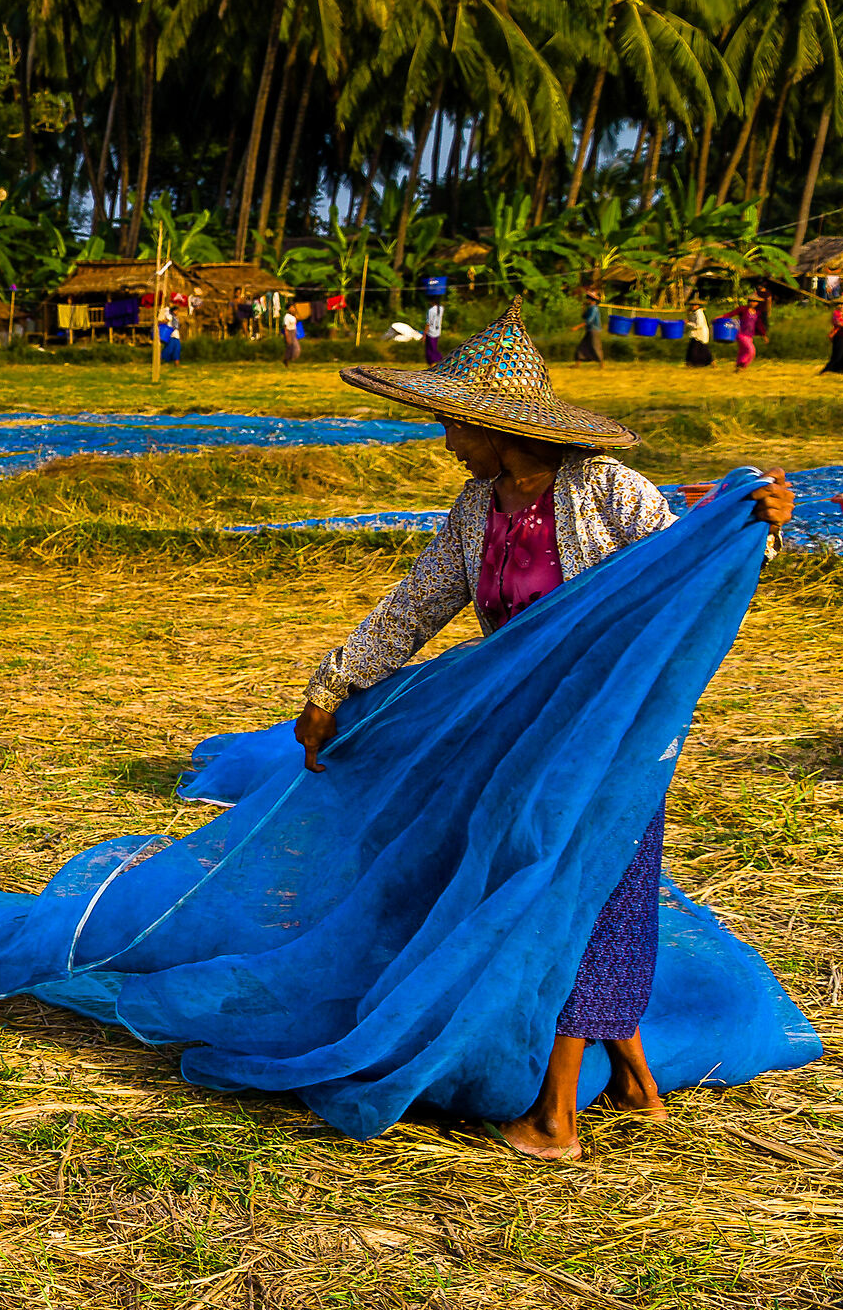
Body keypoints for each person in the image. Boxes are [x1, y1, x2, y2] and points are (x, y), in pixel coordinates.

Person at [297, 303, 794, 1159]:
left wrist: (759, 527)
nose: (446, 439)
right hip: (528, 725)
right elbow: (418, 604)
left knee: (584, 876)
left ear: (497, 426)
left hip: (615, 724)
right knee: (570, 874)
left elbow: (688, 566)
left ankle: (557, 1116)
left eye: (455, 423)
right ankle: (634, 1080)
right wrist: (336, 683)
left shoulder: (605, 488)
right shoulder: (477, 503)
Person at [575, 290, 606, 365]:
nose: (587, 300)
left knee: (595, 346)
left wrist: (578, 327)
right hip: (590, 330)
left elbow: (589, 320)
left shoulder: (594, 308)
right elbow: (584, 316)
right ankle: (577, 364)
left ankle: (602, 364)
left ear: (592, 300)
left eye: (588, 298)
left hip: (594, 329)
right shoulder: (590, 308)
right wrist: (583, 308)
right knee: (583, 346)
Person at [824, 298, 843, 375]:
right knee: (838, 355)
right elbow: (840, 323)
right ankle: (829, 370)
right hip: (840, 337)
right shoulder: (836, 314)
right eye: (840, 304)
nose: (841, 306)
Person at [686, 301, 714, 368]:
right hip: (696, 334)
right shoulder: (693, 313)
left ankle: (692, 363)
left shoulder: (699, 313)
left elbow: (699, 325)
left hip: (700, 334)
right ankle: (690, 363)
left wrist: (688, 323)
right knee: (696, 348)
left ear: (698, 306)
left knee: (697, 349)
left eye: (694, 305)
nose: (692, 306)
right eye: (691, 305)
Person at [423, 298, 444, 367]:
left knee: (430, 350)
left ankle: (439, 361)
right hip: (437, 332)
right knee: (434, 348)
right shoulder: (441, 308)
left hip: (431, 332)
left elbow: (428, 323)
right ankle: (437, 362)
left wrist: (424, 334)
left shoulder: (431, 310)